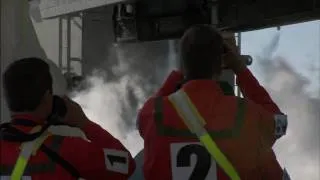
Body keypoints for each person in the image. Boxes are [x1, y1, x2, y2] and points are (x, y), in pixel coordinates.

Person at [137, 25, 289, 180]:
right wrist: (240, 68)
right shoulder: (245, 114)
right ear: (220, 65)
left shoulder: (153, 114)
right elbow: (279, 124)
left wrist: (179, 72)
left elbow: (143, 118)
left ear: (183, 62)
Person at [0, 57, 136, 180]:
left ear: (8, 99)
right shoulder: (68, 149)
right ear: (48, 97)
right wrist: (84, 124)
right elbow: (126, 165)